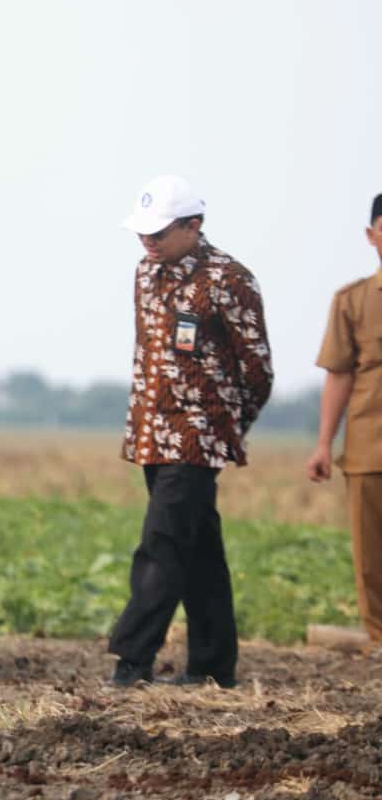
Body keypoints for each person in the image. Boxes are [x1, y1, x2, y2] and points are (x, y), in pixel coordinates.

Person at [107, 175, 274, 689]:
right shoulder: (145, 274)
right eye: (143, 232)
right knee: (199, 549)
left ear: (193, 226)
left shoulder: (230, 278)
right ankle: (213, 667)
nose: (148, 241)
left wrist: (224, 424)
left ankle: (132, 660)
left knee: (161, 543)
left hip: (199, 438)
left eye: (159, 232)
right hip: (152, 432)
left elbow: (257, 370)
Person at [307, 193, 382, 642]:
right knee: (371, 559)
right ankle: (379, 643)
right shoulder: (351, 301)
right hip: (370, 444)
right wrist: (322, 444)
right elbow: (339, 374)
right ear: (372, 236)